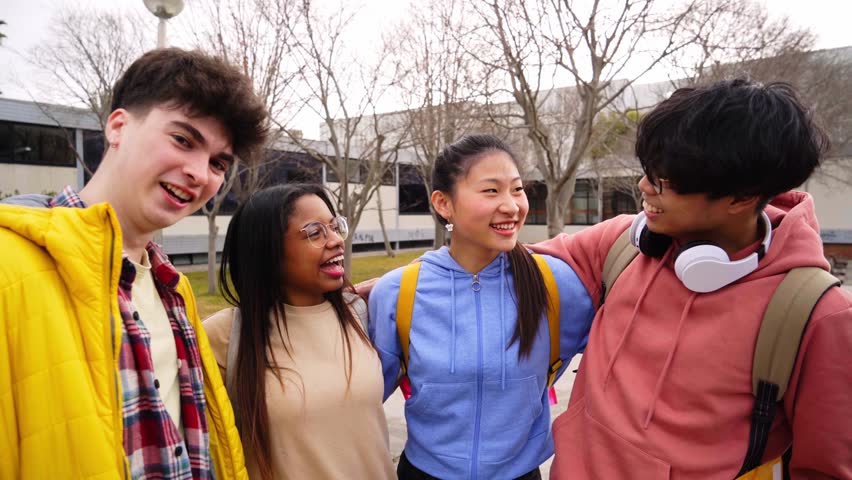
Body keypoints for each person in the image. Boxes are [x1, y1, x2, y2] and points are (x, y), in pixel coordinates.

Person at [531, 79, 852, 478]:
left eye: (665, 181)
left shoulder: (816, 314)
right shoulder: (624, 245)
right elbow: (510, 269)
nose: (644, 187)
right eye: (648, 172)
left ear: (741, 198)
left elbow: (826, 469)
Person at [0, 48, 268, 479]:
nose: (201, 174)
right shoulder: (9, 266)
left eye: (218, 162)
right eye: (183, 140)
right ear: (118, 126)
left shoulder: (172, 288)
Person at [369, 134, 595, 480]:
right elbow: (361, 399)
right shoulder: (399, 292)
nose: (511, 205)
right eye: (491, 191)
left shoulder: (556, 283)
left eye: (517, 189)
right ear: (443, 204)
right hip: (424, 472)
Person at [203, 184, 395, 480]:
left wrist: (388, 286)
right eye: (315, 232)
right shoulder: (225, 335)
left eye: (334, 227)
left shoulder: (360, 313)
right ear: (267, 250)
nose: (336, 241)